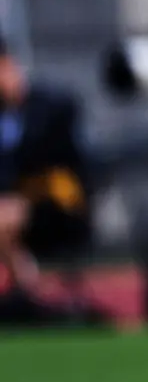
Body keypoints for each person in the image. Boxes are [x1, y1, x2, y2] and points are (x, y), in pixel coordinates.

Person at [0, 40, 90, 305]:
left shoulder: (47, 104)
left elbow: (49, 152)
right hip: (15, 206)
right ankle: (27, 288)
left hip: (57, 204)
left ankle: (32, 290)